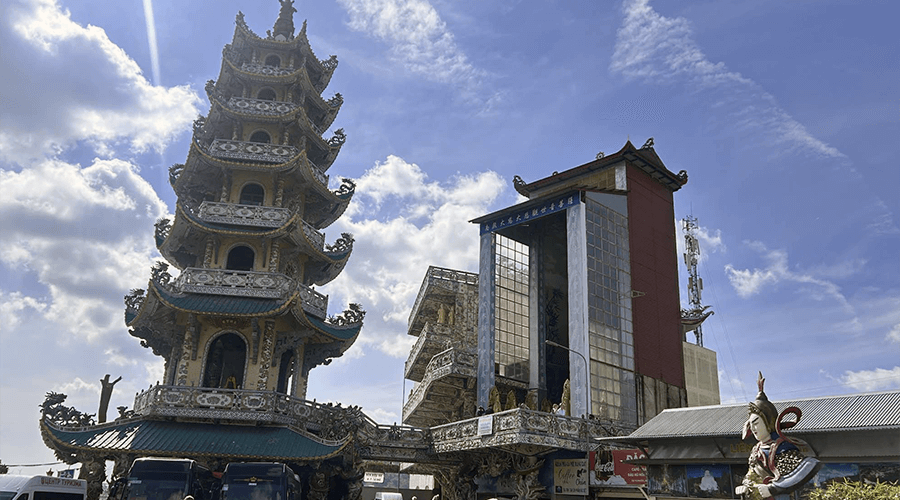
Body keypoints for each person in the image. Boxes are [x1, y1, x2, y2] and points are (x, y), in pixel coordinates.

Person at [735, 373, 821, 499]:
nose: (753, 428)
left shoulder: (781, 447)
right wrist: (745, 486)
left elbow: (808, 466)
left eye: (756, 423)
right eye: (750, 425)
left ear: (768, 422)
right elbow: (752, 475)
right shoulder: (756, 449)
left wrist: (773, 488)